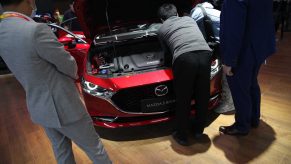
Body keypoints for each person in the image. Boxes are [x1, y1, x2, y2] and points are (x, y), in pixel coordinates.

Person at [0, 0, 111, 163]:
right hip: (64, 105)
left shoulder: (3, 31)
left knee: (61, 152)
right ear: (27, 1)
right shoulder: (35, 30)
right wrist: (75, 74)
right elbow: (68, 64)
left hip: (39, 107)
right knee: (96, 149)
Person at [157, 3, 212, 146]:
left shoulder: (162, 29)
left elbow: (167, 54)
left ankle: (182, 135)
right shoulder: (189, 19)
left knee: (184, 98)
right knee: (202, 94)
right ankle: (199, 130)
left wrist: (166, 65)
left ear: (162, 19)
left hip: (184, 57)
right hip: (205, 53)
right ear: (177, 14)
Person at [219, 0, 276, 135]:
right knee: (251, 83)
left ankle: (242, 125)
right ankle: (253, 119)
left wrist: (229, 61)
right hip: (259, 46)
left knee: (240, 89)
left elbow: (234, 29)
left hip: (243, 51)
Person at [191, 1, 235, 113]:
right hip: (230, 43)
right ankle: (229, 98)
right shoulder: (215, 11)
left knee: (227, 73)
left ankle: (228, 103)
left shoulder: (196, 12)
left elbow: (191, 31)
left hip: (227, 45)